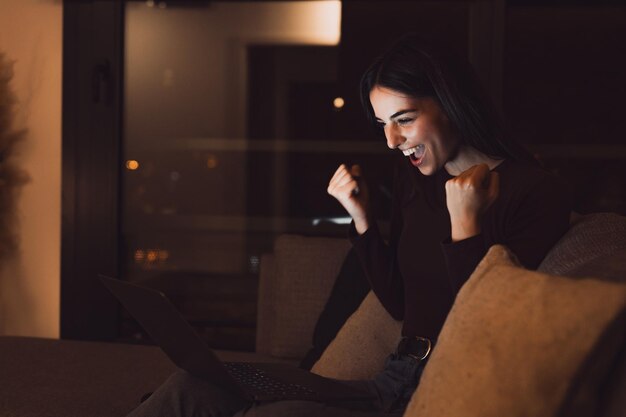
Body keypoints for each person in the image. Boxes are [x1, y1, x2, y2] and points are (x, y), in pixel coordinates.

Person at [127, 34, 572, 417]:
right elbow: (400, 303)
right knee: (192, 385)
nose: (391, 142)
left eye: (404, 120)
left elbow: (486, 330)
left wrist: (466, 227)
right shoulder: (415, 182)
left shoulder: (533, 192)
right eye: (382, 124)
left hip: (443, 390)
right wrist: (362, 220)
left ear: (452, 104)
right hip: (393, 379)